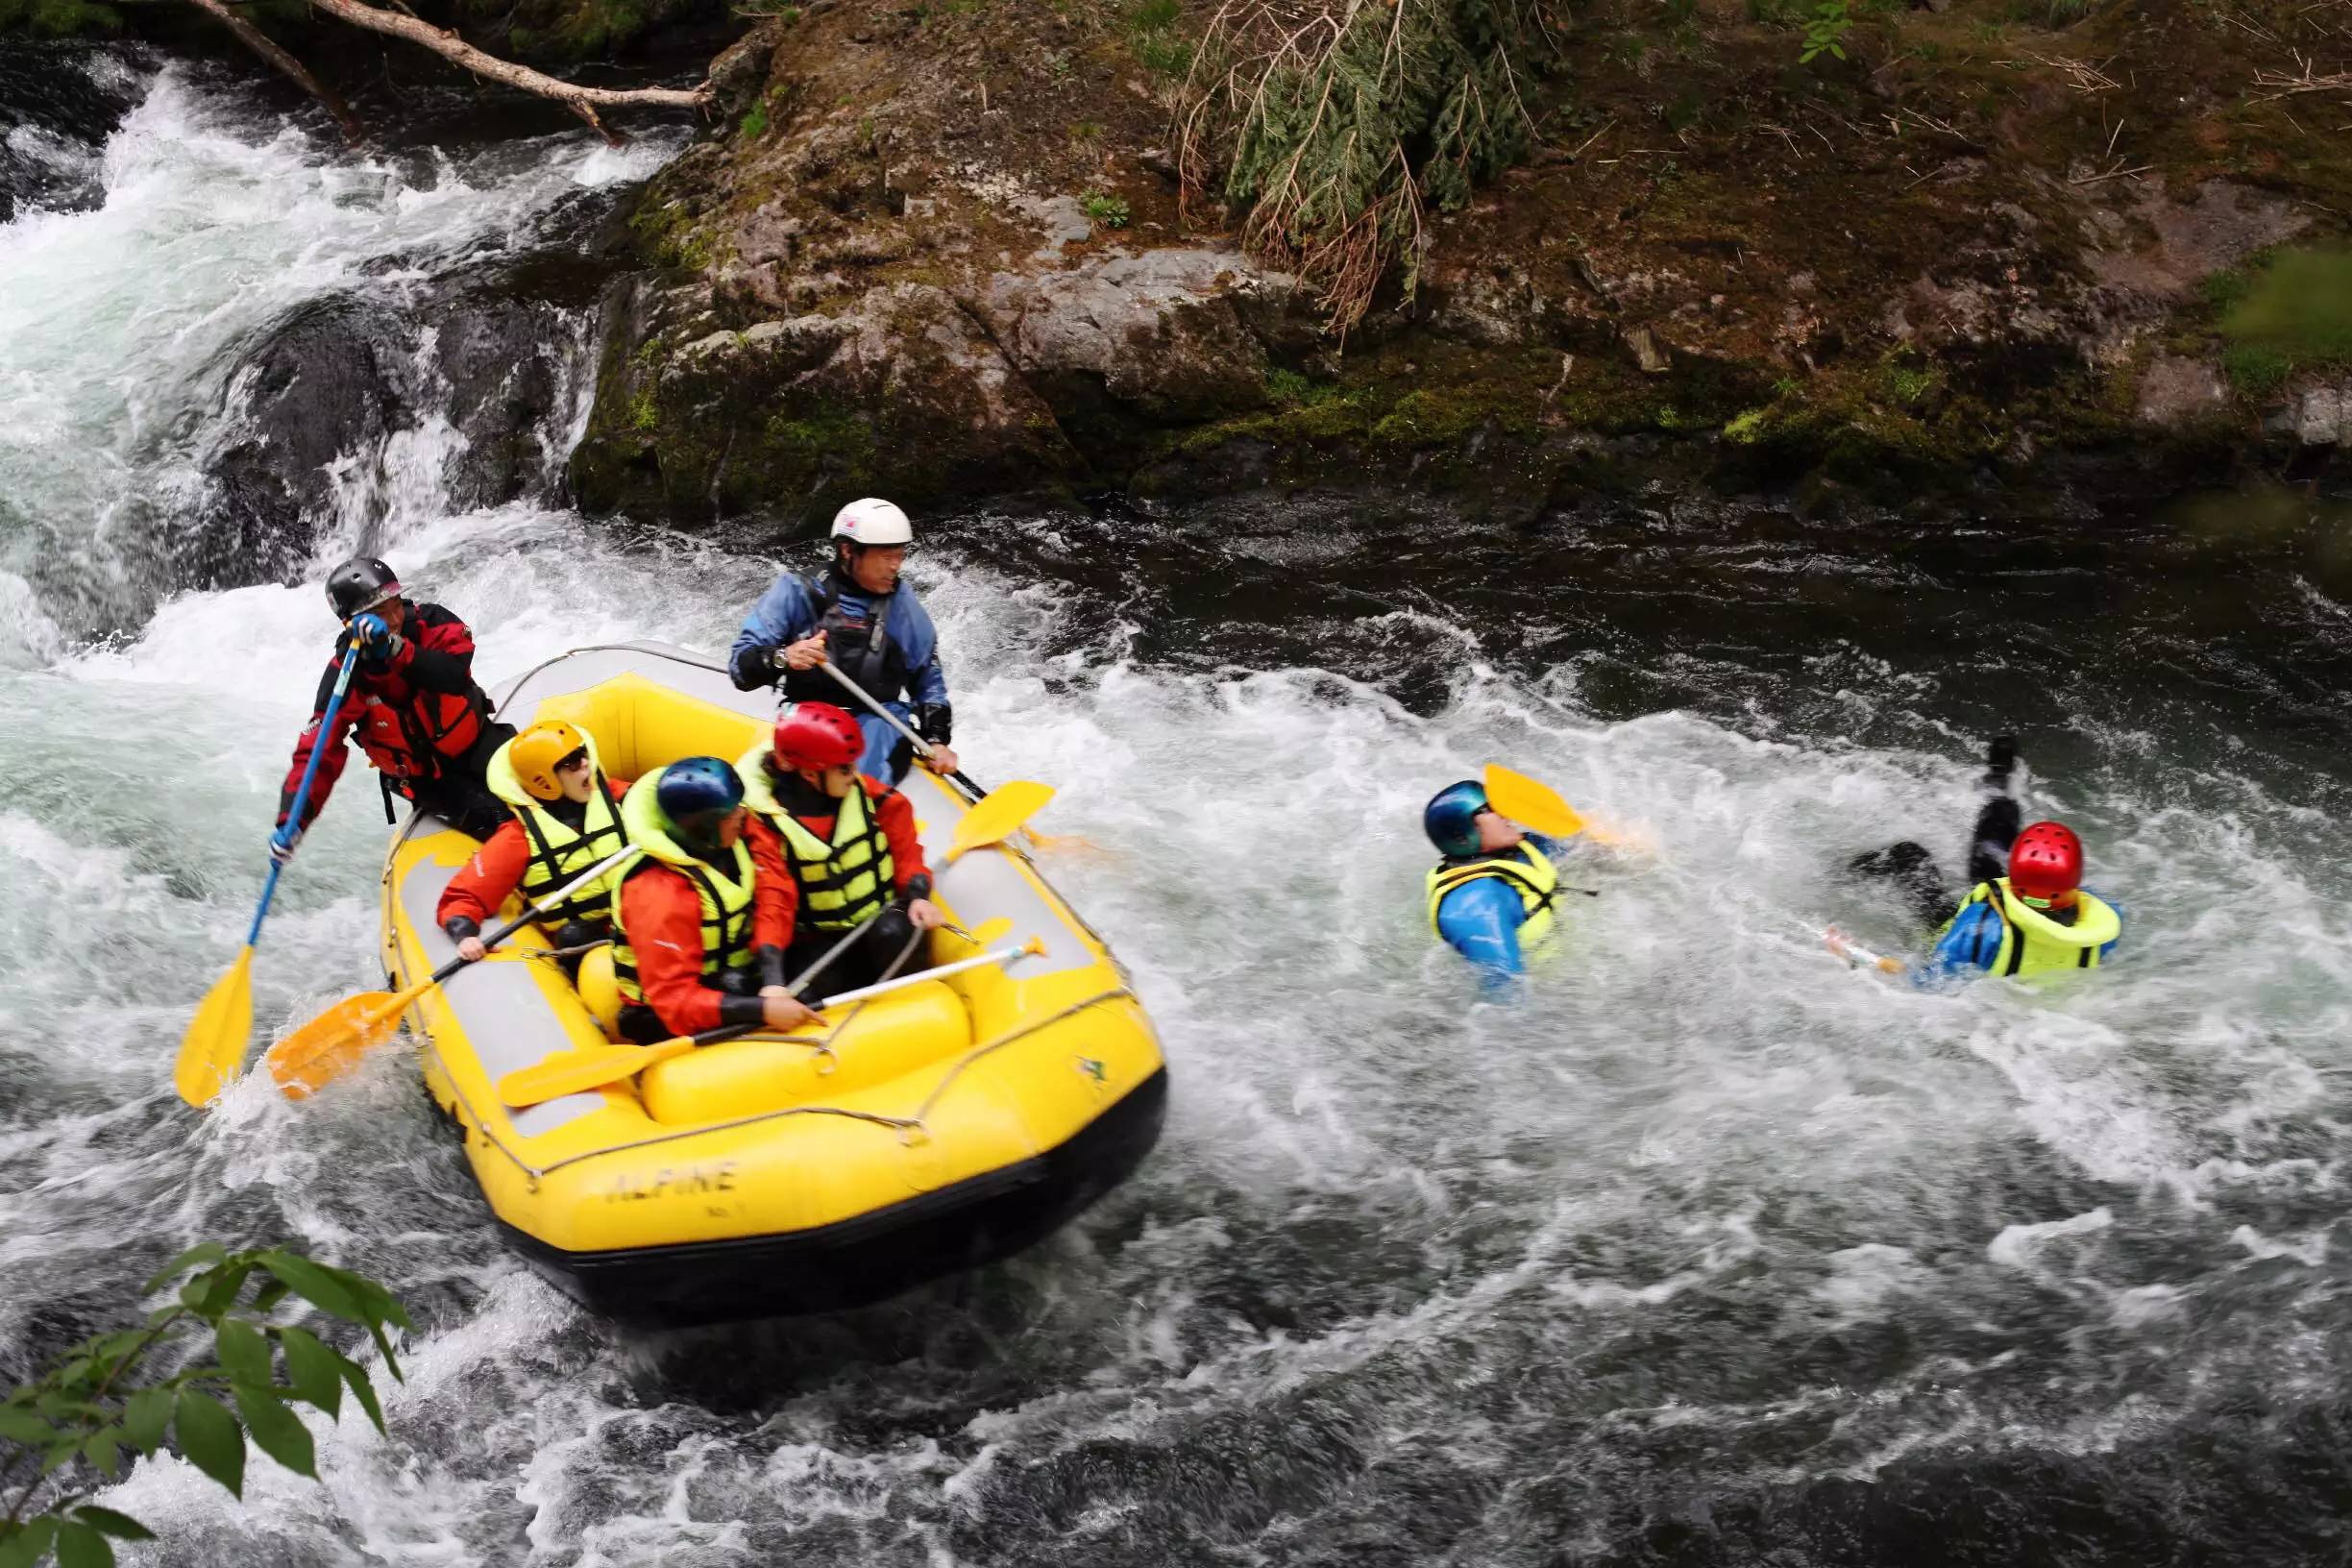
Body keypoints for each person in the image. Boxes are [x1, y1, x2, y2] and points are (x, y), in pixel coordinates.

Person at [269, 557, 512, 864]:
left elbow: (454, 675)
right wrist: (292, 820)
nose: (394, 618)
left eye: (395, 604)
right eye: (380, 613)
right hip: (428, 780)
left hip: (478, 742)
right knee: (498, 820)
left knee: (545, 781)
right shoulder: (346, 674)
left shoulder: (430, 622)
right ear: (350, 623)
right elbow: (318, 751)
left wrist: (396, 649)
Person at [1832, 738, 2123, 979]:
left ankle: (1834, 875)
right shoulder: (2104, 922)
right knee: (1991, 848)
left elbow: (1924, 982)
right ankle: (2000, 788)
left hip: (1950, 928)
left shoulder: (1977, 930)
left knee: (1910, 855)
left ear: (2014, 875)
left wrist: (1858, 955)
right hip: (2017, 934)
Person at [726, 498, 961, 785]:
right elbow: (740, 669)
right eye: (886, 557)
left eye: (900, 556)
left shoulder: (901, 605)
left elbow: (927, 678)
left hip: (877, 721)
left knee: (850, 780)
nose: (896, 566)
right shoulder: (798, 591)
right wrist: (783, 657)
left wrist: (936, 740)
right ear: (848, 550)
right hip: (809, 716)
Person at [738, 701, 945, 1001]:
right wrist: (772, 979)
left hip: (879, 925)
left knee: (895, 931)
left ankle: (912, 1003)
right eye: (845, 768)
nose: (855, 773)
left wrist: (918, 896)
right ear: (810, 774)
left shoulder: (877, 799)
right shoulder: (768, 827)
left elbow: (907, 856)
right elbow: (774, 901)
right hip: (819, 940)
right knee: (806, 988)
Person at [608, 757, 819, 1044]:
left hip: (735, 973)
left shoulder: (742, 835)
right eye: (730, 812)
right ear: (702, 828)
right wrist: (762, 1009)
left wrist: (773, 979)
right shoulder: (657, 892)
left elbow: (774, 896)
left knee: (812, 964)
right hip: (663, 1011)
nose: (742, 813)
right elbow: (674, 998)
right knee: (736, 984)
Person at [435, 720, 633, 975]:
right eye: (572, 762)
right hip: (589, 943)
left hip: (640, 916)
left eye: (583, 754)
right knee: (572, 936)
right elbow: (464, 897)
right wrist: (465, 935)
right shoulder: (519, 837)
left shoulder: (618, 797)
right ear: (544, 780)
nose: (586, 763)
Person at [1424, 778, 1567, 984]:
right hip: (1548, 982)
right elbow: (1507, 992)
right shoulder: (1476, 906)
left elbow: (1589, 855)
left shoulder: (1525, 848)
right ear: (1462, 835)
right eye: (1490, 809)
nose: (1504, 812)